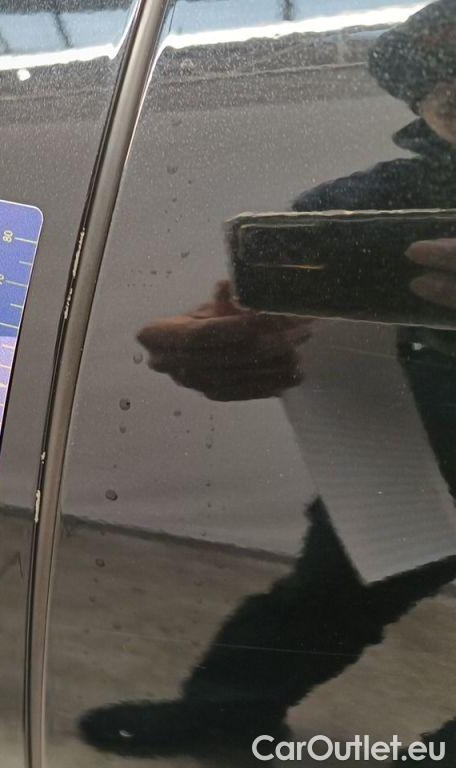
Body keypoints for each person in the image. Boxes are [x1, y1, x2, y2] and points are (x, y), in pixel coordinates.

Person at [79, 0, 456, 759]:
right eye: (452, 96)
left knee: (324, 599)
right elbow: (266, 297)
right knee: (325, 596)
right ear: (428, 113)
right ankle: (223, 713)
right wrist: (230, 332)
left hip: (410, 447)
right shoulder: (379, 202)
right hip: (409, 456)